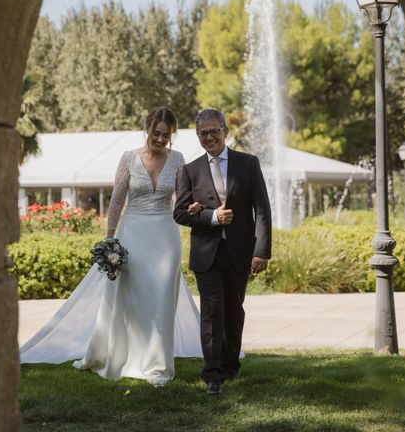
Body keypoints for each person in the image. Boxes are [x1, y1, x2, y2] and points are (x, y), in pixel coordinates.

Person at [20, 106, 202, 386]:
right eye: (156, 133)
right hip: (133, 233)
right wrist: (110, 238)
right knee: (128, 297)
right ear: (147, 129)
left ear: (172, 135)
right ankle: (118, 355)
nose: (160, 139)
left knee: (163, 296)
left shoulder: (178, 159)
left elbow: (181, 199)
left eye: (166, 135)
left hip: (165, 236)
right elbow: (117, 200)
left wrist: (193, 207)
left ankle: (158, 366)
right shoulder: (129, 158)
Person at [174, 108, 272, 395]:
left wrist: (261, 250)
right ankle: (213, 375)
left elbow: (262, 209)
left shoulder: (248, 164)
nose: (208, 137)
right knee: (211, 312)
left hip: (240, 252)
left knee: (233, 311)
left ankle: (230, 365)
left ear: (224, 132)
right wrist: (210, 217)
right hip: (206, 254)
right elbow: (180, 213)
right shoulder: (189, 170)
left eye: (212, 131)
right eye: (202, 133)